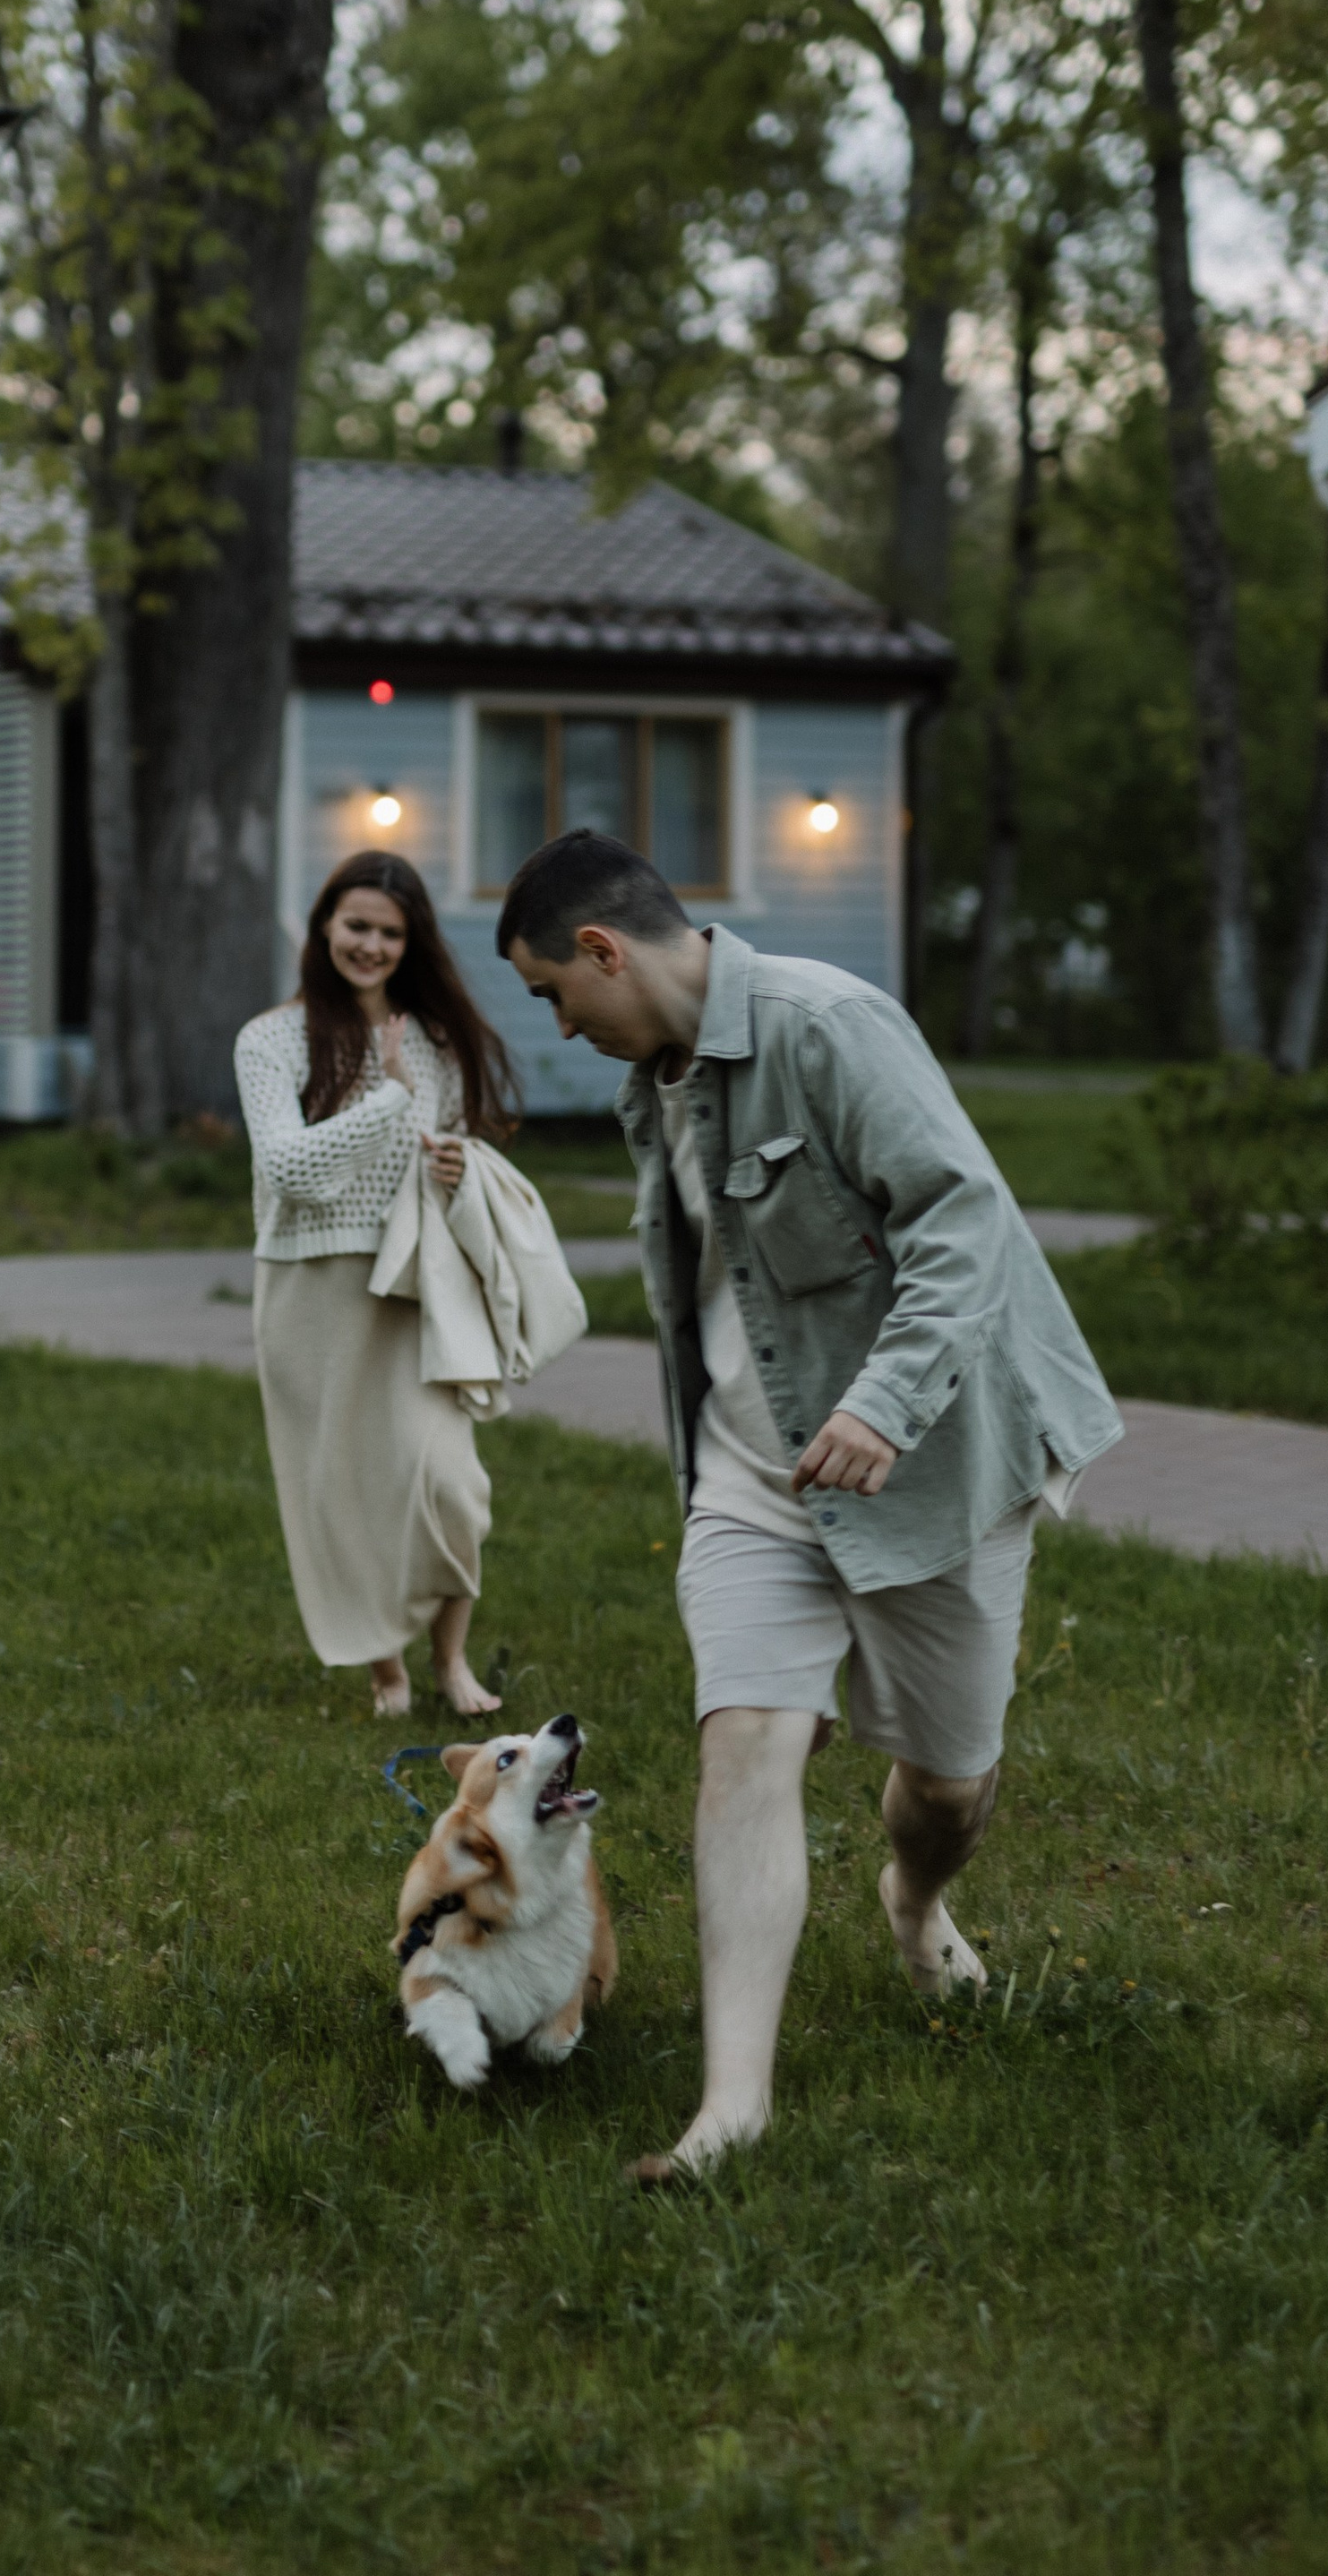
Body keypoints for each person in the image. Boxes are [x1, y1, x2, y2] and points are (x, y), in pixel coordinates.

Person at [495, 829, 1126, 2182]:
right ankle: (734, 2108)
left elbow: (965, 1220)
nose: (559, 1024)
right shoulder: (651, 1084)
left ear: (604, 951)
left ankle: (912, 1901)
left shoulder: (829, 1027)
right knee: (746, 1744)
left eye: (554, 992)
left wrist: (883, 1404)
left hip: (927, 1459)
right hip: (752, 1480)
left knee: (947, 1785)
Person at [236, 850, 523, 1721]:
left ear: (412, 943)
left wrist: (451, 1166)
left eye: (390, 933)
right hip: (311, 1290)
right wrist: (388, 1102)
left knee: (450, 1484)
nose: (370, 945)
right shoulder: (271, 1038)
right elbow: (288, 1167)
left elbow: (440, 1163)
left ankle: (452, 1661)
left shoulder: (432, 1043)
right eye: (356, 925)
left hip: (414, 1286)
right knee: (350, 1489)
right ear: (324, 924)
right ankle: (387, 1672)